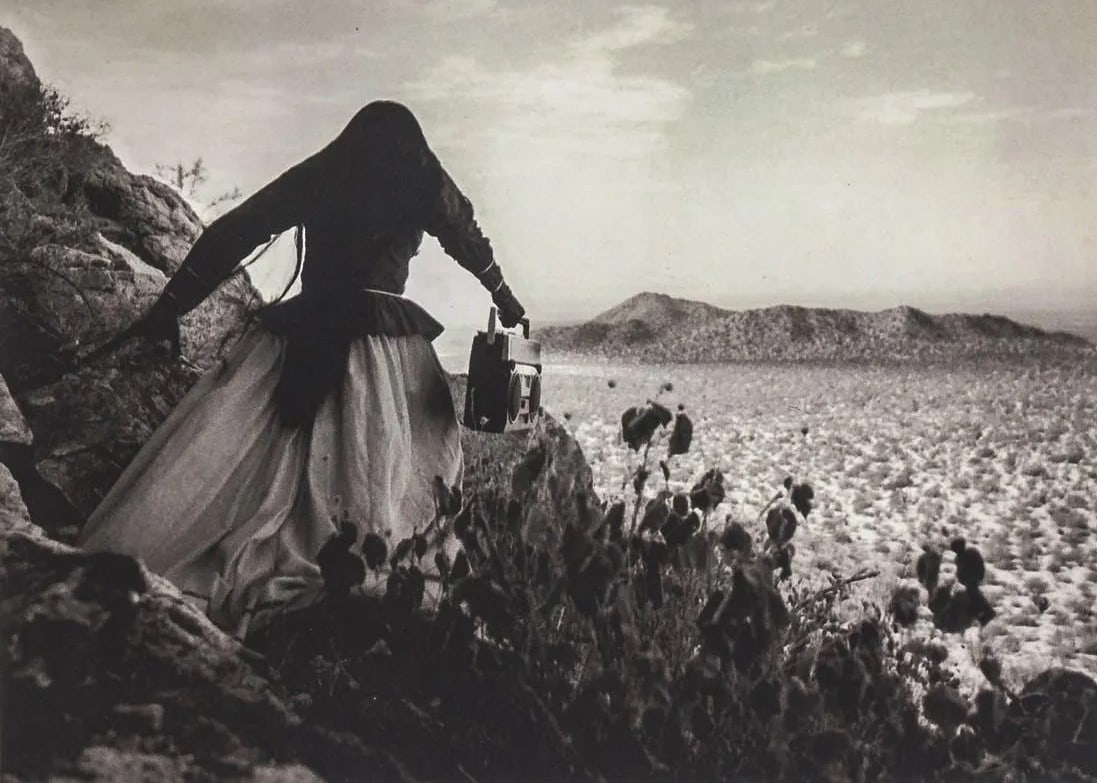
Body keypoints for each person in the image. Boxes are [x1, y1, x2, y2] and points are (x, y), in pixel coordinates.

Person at [78, 101, 526, 637]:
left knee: (266, 458)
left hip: (305, 333)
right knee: (378, 467)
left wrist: (171, 305)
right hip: (382, 349)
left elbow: (236, 231)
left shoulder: (326, 170)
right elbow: (467, 238)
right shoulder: (422, 178)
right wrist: (505, 296)